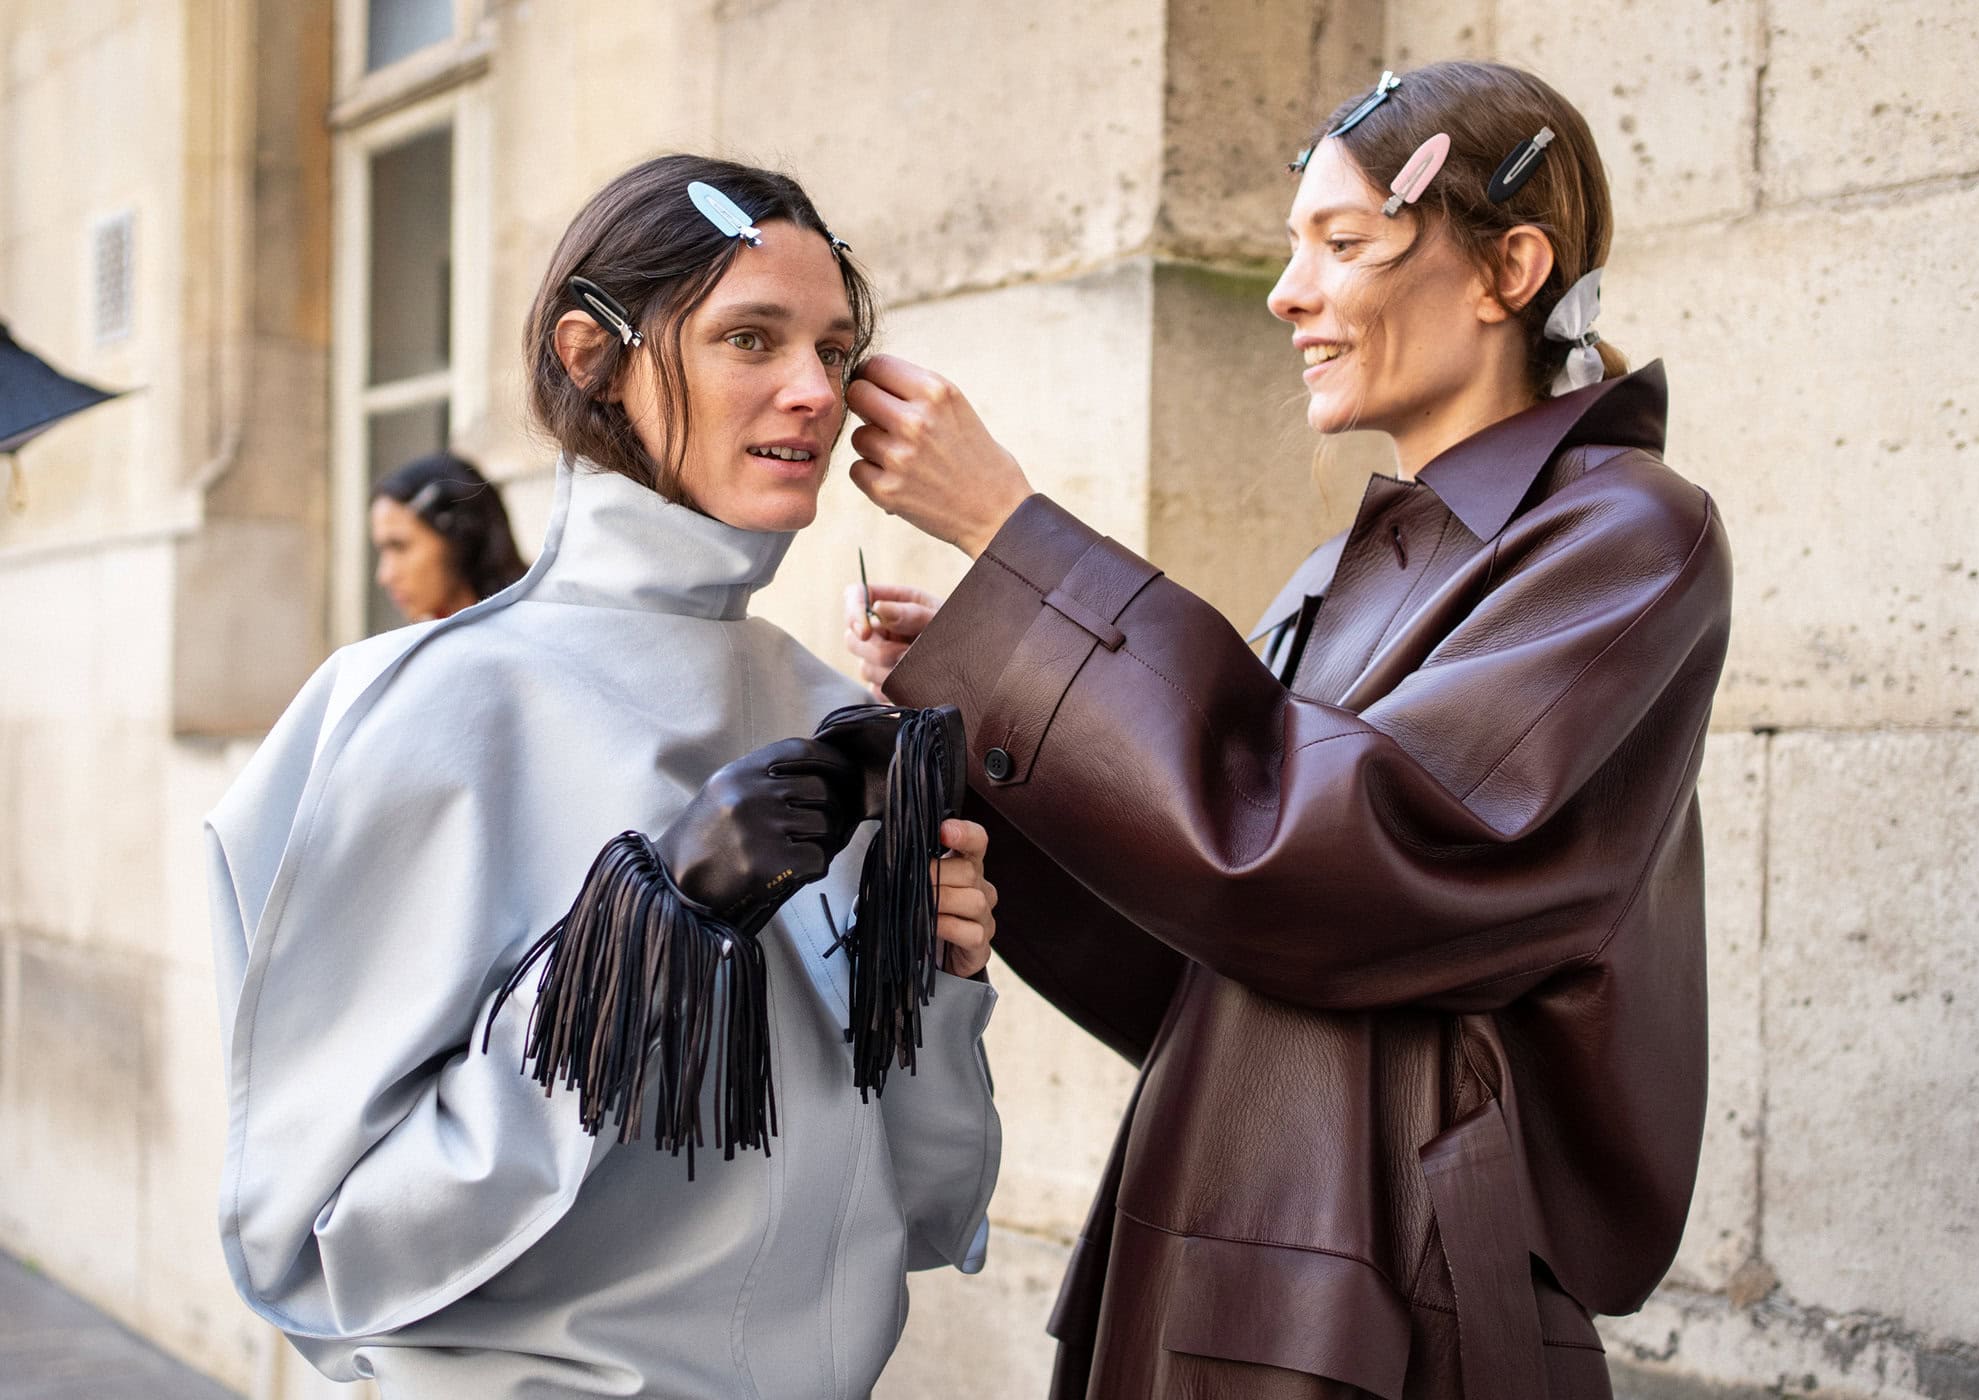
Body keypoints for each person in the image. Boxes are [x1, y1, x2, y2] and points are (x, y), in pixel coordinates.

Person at [844, 60, 1732, 1400]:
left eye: (1344, 243)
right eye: (1289, 247)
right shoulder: (1342, 572)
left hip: (1389, 1301)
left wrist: (1015, 544)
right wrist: (991, 713)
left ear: (1510, 269)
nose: (1287, 292)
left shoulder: (1629, 538)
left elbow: (1332, 859)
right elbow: (1205, 954)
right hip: (1220, 1250)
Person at [206, 155, 1002, 1400]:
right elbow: (318, 1250)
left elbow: (930, 1202)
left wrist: (941, 981)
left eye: (836, 348)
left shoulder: (834, 715)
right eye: (752, 336)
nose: (813, 391)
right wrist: (645, 935)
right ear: (592, 355)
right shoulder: (415, 712)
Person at [368, 452, 529, 622]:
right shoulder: (425, 640)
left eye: (400, 547)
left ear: (462, 537)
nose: (385, 575)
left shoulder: (533, 628)